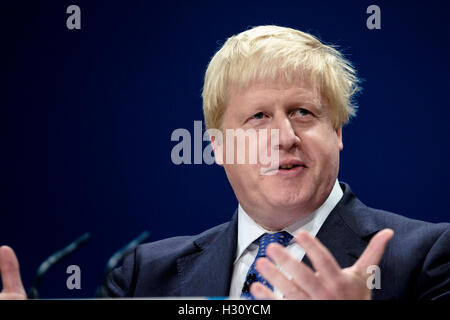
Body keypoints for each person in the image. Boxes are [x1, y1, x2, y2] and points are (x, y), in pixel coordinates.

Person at [1, 25, 449, 300]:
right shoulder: (142, 275)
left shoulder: (428, 257)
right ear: (217, 146)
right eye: (258, 117)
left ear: (337, 133)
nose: (285, 138)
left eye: (304, 113)